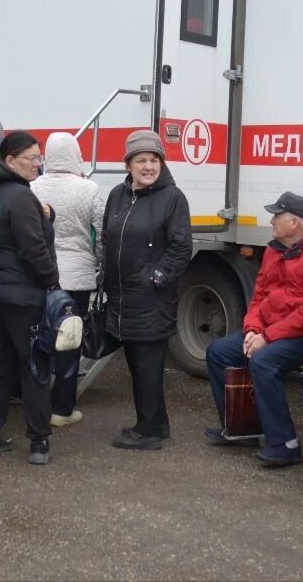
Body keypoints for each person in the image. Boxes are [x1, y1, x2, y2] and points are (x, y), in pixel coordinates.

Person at [203, 192, 303, 465]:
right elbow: (259, 294)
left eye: (277, 215)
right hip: (269, 330)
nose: (271, 220)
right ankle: (242, 429)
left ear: (295, 222)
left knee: (263, 361)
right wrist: (253, 329)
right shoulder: (277, 248)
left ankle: (284, 443)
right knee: (218, 352)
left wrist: (267, 337)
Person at [102, 130, 192, 451]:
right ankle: (158, 423)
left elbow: (181, 248)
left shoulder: (173, 198)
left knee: (148, 366)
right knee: (138, 364)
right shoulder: (117, 195)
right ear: (128, 164)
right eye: (141, 160)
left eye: (154, 160)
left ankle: (148, 431)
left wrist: (158, 277)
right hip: (122, 296)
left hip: (152, 297)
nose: (148, 166)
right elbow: (107, 237)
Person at [0, 130, 59, 465]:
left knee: (0, 364)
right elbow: (33, 249)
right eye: (31, 159)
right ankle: (39, 441)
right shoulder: (21, 197)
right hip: (26, 295)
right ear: (10, 160)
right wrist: (53, 281)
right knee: (35, 366)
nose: (38, 165)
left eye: (40, 158)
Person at [31, 132, 105, 428]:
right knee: (70, 341)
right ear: (76, 153)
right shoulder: (89, 188)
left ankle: (34, 401)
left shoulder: (32, 186)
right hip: (77, 278)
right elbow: (101, 233)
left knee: (40, 338)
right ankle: (62, 408)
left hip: (42, 274)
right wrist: (97, 261)